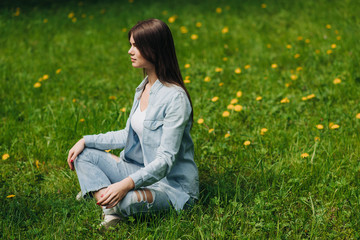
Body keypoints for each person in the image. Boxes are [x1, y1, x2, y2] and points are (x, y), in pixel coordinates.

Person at [67, 18, 199, 229]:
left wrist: (125, 185)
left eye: (136, 46)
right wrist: (86, 140)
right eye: (131, 44)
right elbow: (127, 134)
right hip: (138, 169)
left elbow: (166, 161)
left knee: (128, 200)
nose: (130, 51)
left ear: (156, 49)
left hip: (170, 187)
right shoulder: (143, 88)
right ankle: (109, 203)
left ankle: (103, 196)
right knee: (84, 154)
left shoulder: (176, 98)